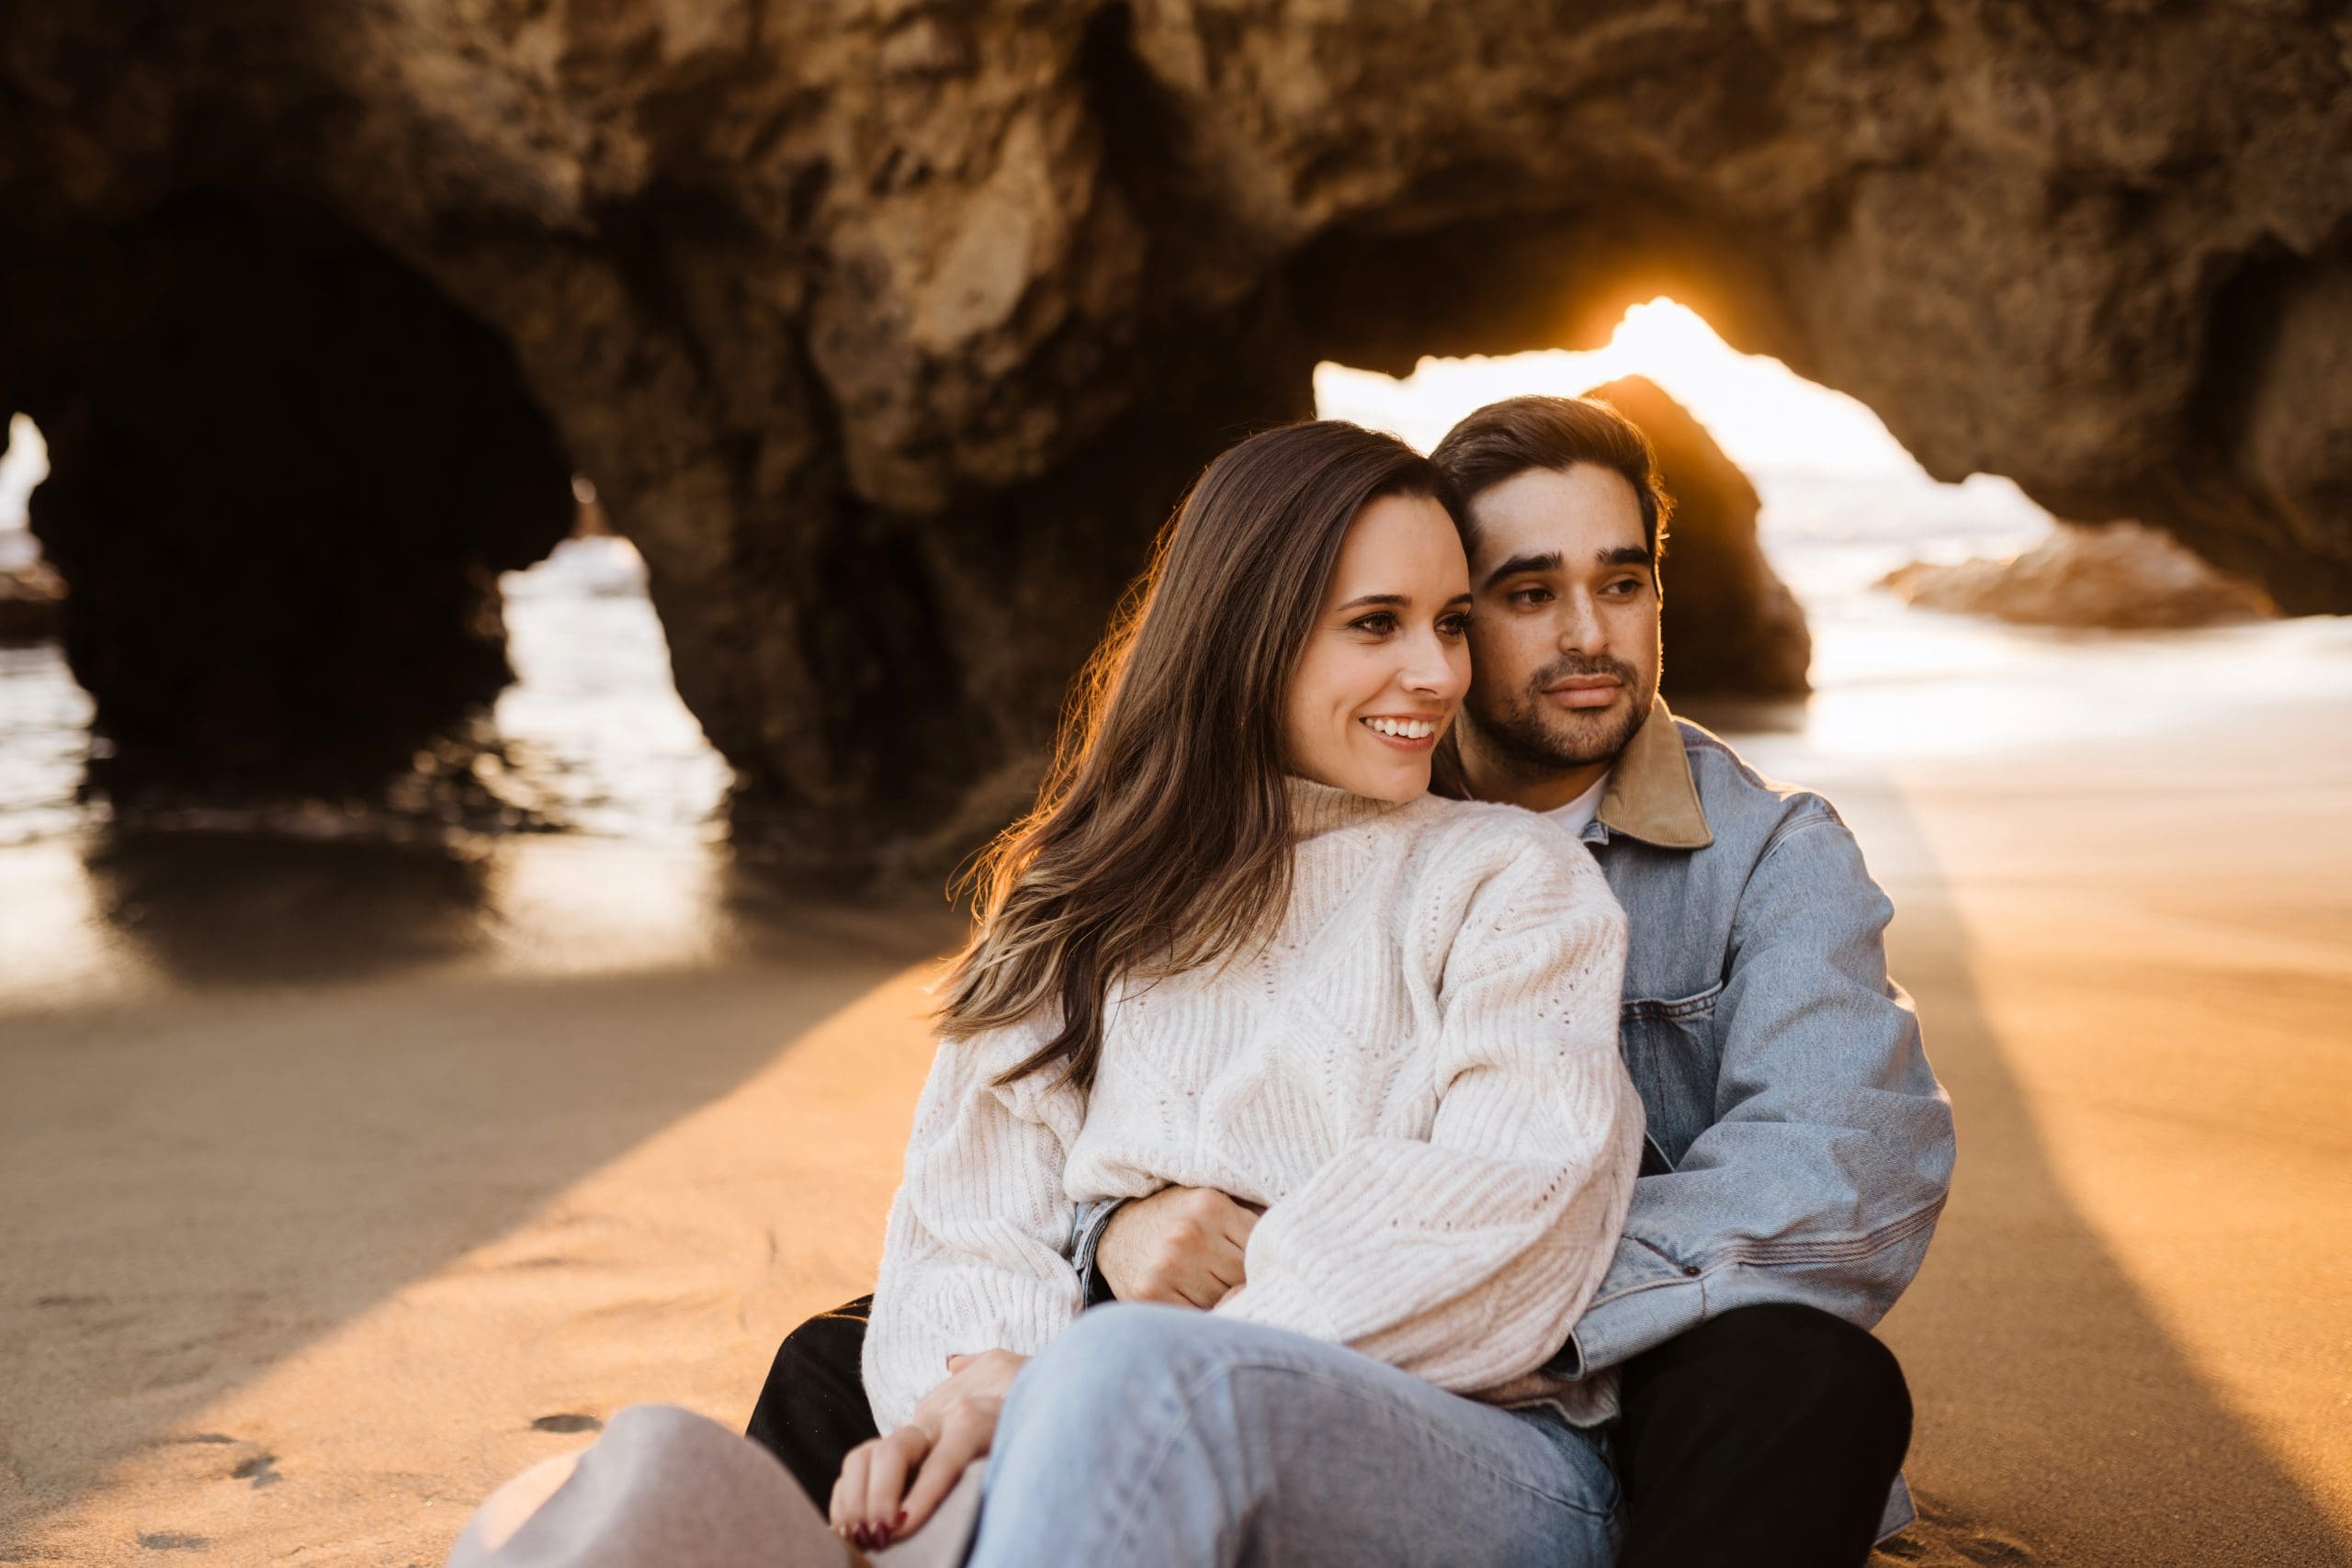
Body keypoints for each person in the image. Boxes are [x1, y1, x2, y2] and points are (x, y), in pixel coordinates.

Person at [748, 394, 1957, 1568]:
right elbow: (1087, 1147)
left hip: (1631, 1365)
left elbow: (1842, 1175)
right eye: (1525, 594)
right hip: (1295, 1340)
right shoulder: (1332, 817)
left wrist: (1522, 1295)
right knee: (833, 1362)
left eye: (1624, 581)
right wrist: (1118, 1234)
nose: (1587, 633)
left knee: (1809, 1383)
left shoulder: (1765, 857)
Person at [449, 419, 1645, 1568]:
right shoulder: (1076, 903)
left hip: (1482, 1466)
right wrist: (979, 1391)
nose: (1435, 672)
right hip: (1088, 1427)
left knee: (1122, 1382)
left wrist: (1082, 1377)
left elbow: (1505, 1221)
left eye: (1448, 622)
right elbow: (969, 1222)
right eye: (1375, 624)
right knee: (653, 1485)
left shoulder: (1511, 882)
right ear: (1248, 632)